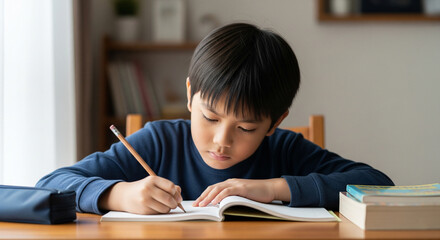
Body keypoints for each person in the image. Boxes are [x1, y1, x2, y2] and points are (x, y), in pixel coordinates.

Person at [36, 23, 393, 215]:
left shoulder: (285, 150)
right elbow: (51, 183)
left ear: (275, 122)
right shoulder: (160, 141)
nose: (222, 139)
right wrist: (119, 195)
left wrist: (272, 188)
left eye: (246, 128)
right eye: (210, 117)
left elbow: (378, 184)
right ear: (190, 95)